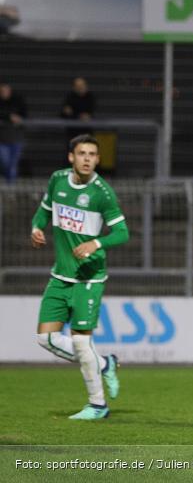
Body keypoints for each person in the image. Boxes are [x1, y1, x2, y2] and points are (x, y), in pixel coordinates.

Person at [31, 134, 129, 420]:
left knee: (80, 343)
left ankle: (97, 405)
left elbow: (123, 233)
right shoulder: (57, 180)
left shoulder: (102, 192)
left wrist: (96, 243)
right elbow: (44, 211)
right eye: (82, 153)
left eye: (92, 154)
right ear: (71, 157)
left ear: (97, 159)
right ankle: (104, 363)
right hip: (60, 276)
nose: (87, 158)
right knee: (45, 338)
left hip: (89, 279)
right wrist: (36, 228)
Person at [0, 82, 27, 182]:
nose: (4, 93)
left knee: (13, 165)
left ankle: (10, 188)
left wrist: (18, 118)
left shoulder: (17, 101)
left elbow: (24, 113)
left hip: (16, 138)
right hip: (2, 140)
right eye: (2, 91)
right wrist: (9, 116)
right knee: (5, 162)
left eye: (6, 91)